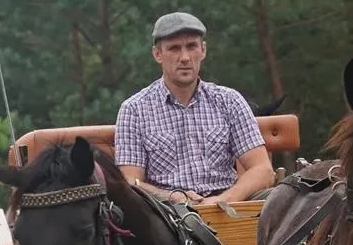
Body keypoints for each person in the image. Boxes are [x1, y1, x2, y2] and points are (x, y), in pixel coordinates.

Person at [114, 12, 275, 204]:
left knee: (289, 200)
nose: (185, 57)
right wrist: (172, 197)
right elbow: (131, 182)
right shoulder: (134, 110)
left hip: (228, 204)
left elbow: (262, 169)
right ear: (157, 54)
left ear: (203, 50)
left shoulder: (229, 101)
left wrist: (222, 200)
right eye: (174, 49)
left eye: (191, 46)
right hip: (168, 215)